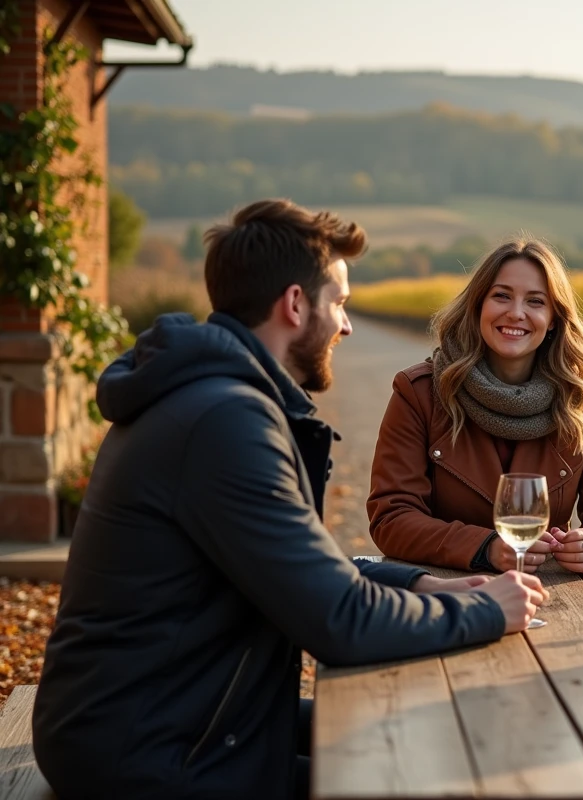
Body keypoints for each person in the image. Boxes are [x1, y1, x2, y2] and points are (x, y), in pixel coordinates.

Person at [32, 200, 547, 800]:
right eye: (340, 303)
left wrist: (419, 586)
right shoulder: (224, 420)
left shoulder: (217, 400)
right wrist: (491, 611)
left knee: (425, 734)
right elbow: (339, 622)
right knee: (421, 774)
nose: (347, 326)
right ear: (296, 304)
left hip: (183, 716)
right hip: (155, 752)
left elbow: (299, 566)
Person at [368, 238, 583, 575]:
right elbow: (392, 518)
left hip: (548, 599)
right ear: (478, 304)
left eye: (535, 301)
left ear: (553, 318)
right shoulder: (419, 394)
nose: (516, 313)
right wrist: (485, 548)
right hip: (444, 594)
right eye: (501, 296)